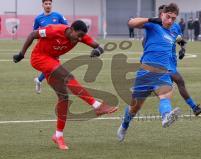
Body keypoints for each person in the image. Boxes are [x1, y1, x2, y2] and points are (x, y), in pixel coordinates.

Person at [13, 20, 118, 150]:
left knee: (64, 97)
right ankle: (96, 105)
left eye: (81, 37)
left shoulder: (80, 36)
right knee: (67, 76)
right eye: (78, 35)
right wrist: (21, 54)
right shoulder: (54, 30)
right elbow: (33, 34)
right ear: (71, 29)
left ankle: (58, 136)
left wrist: (97, 51)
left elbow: (99, 46)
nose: (79, 39)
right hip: (39, 58)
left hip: (52, 61)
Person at [117, 3, 182, 142]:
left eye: (173, 19)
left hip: (163, 73)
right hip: (145, 73)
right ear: (162, 15)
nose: (170, 21)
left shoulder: (172, 33)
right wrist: (150, 19)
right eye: (168, 17)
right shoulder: (153, 26)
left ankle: (165, 117)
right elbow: (131, 23)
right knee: (134, 108)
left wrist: (183, 48)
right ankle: (124, 126)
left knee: (165, 95)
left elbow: (176, 46)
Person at [145, 5, 201, 118]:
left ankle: (151, 88)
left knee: (172, 84)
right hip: (161, 62)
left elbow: (180, 40)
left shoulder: (175, 27)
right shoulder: (154, 27)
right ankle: (193, 108)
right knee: (178, 81)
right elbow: (145, 42)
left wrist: (183, 49)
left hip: (171, 61)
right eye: (161, 14)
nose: (163, 17)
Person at [34, 0, 68, 94]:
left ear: (51, 5)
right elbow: (34, 33)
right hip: (44, 47)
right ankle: (60, 85)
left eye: (49, 4)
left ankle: (39, 80)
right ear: (42, 5)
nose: (48, 5)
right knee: (53, 66)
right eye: (46, 4)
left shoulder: (58, 16)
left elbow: (67, 28)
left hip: (56, 46)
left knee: (52, 66)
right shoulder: (38, 18)